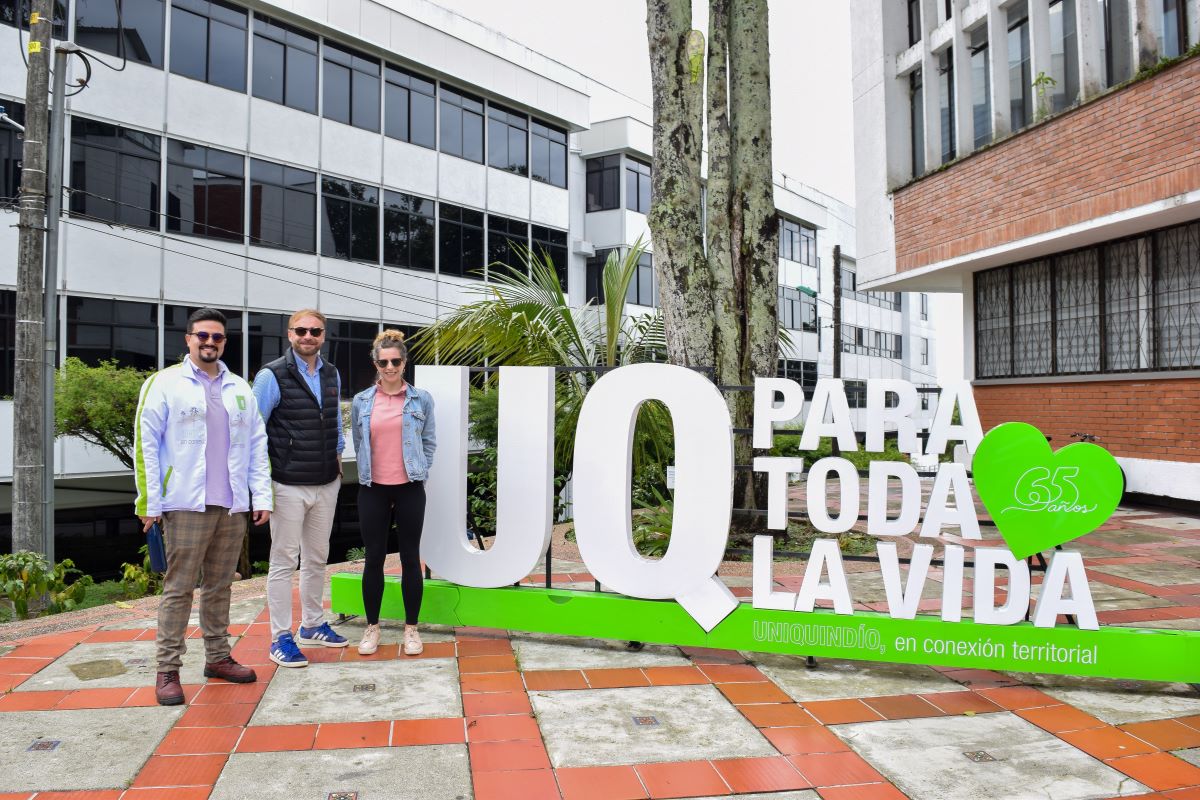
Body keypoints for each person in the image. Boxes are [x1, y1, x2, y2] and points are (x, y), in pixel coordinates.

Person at [134, 307, 272, 706]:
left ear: (224, 342)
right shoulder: (164, 384)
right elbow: (146, 446)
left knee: (220, 586)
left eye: (217, 338)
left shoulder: (239, 388)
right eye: (203, 336)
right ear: (188, 339)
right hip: (184, 504)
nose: (210, 343)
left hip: (230, 505)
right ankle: (167, 670)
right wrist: (149, 503)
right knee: (178, 589)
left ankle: (217, 658)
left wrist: (260, 496)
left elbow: (256, 446)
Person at [252, 309, 348, 668]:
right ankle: (280, 637)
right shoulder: (271, 376)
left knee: (317, 558)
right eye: (302, 330)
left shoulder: (331, 372)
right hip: (287, 484)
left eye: (316, 331)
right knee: (283, 561)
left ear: (323, 335)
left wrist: (338, 457)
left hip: (326, 482)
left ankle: (312, 624)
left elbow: (335, 418)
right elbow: (252, 431)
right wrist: (260, 486)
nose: (309, 336)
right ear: (289, 334)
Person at [350, 329, 436, 656]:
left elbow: (429, 441)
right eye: (383, 361)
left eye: (395, 361)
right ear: (375, 362)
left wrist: (419, 471)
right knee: (373, 558)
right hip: (373, 489)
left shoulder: (420, 399)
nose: (389, 367)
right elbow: (360, 444)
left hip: (410, 488)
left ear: (404, 362)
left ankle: (411, 629)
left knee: (410, 558)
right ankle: (372, 628)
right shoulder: (361, 402)